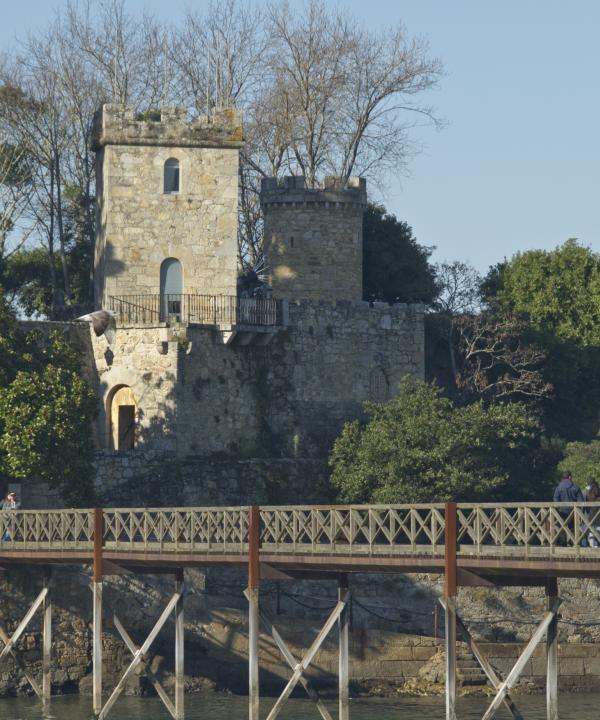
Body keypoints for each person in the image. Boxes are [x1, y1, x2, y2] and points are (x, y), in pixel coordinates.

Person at [553, 471, 584, 546]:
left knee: (563, 527)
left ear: (563, 478)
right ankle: (574, 543)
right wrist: (579, 509)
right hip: (573, 511)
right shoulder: (575, 487)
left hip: (562, 511)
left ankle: (563, 544)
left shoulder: (559, 487)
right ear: (569, 477)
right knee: (573, 527)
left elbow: (555, 499)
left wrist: (558, 508)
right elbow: (581, 501)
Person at [584, 479, 600, 548]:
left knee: (591, 529)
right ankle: (596, 544)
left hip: (592, 511)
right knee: (597, 528)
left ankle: (593, 545)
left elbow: (587, 501)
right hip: (597, 512)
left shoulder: (589, 490)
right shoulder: (598, 489)